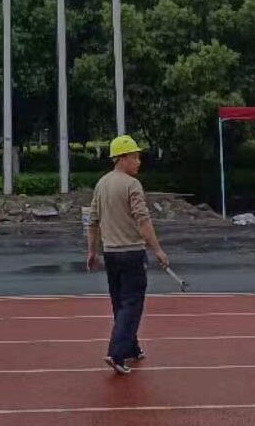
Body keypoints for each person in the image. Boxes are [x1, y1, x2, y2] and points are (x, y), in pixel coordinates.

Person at [86, 134, 170, 376]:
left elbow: (92, 220)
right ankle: (116, 353)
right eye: (134, 157)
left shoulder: (102, 184)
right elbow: (143, 221)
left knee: (120, 303)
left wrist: (92, 250)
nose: (138, 161)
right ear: (122, 158)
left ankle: (131, 347)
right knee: (132, 304)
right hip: (132, 253)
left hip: (111, 254)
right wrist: (158, 249)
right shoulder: (132, 185)